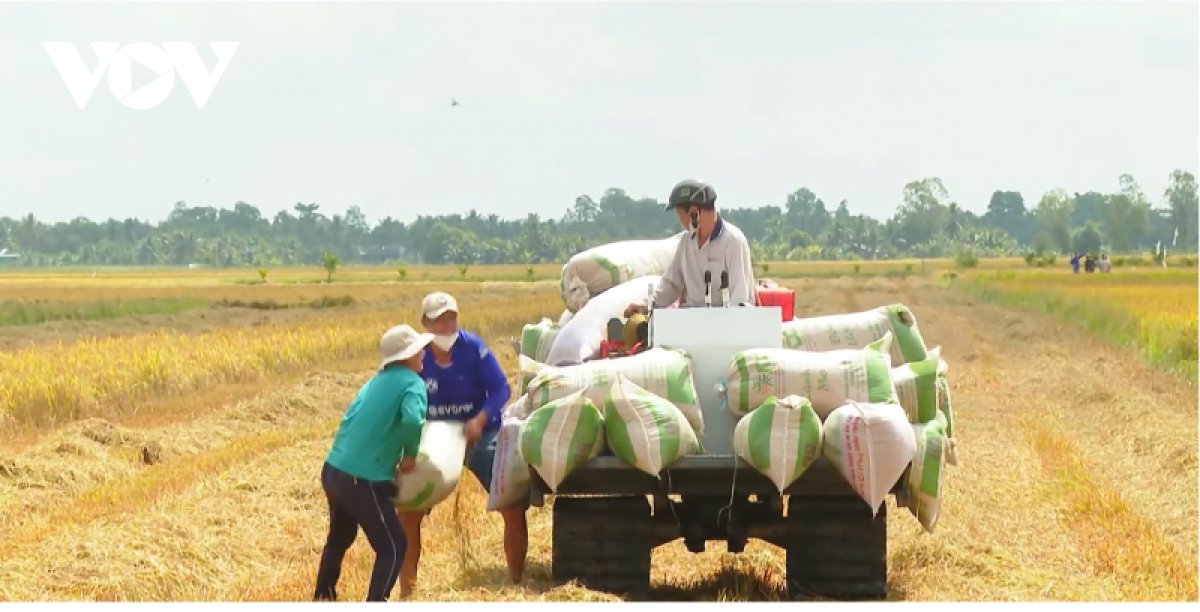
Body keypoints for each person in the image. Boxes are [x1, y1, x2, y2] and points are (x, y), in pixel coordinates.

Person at [397, 291, 517, 596]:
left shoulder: (473, 348)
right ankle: (407, 592)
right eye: (439, 321)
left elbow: (502, 389)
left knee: (511, 502)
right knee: (408, 513)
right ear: (425, 323)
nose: (447, 326)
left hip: (477, 432)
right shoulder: (415, 357)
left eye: (452, 318)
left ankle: (517, 584)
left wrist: (480, 419)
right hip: (432, 436)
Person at [313, 324, 433, 602]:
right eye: (419, 349)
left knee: (340, 536)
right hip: (361, 479)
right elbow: (413, 420)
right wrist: (410, 455)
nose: (424, 354)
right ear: (408, 355)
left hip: (333, 470)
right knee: (394, 545)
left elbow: (350, 419)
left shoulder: (375, 381)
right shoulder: (413, 383)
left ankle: (323, 596)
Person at [625, 179, 756, 317]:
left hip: (724, 321)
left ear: (694, 213)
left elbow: (740, 298)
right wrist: (646, 305)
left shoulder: (733, 241)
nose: (680, 221)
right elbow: (671, 284)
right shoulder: (686, 242)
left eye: (680, 214)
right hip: (689, 321)